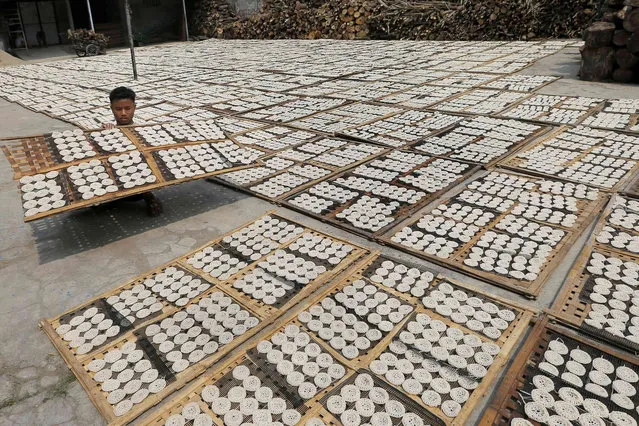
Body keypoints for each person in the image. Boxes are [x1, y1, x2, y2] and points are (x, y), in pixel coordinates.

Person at [102, 87, 163, 217]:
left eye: (128, 108)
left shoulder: (144, 131)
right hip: (117, 178)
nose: (123, 113)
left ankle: (149, 196)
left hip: (139, 183)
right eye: (118, 109)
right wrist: (104, 136)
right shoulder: (107, 131)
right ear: (111, 108)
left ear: (134, 107)